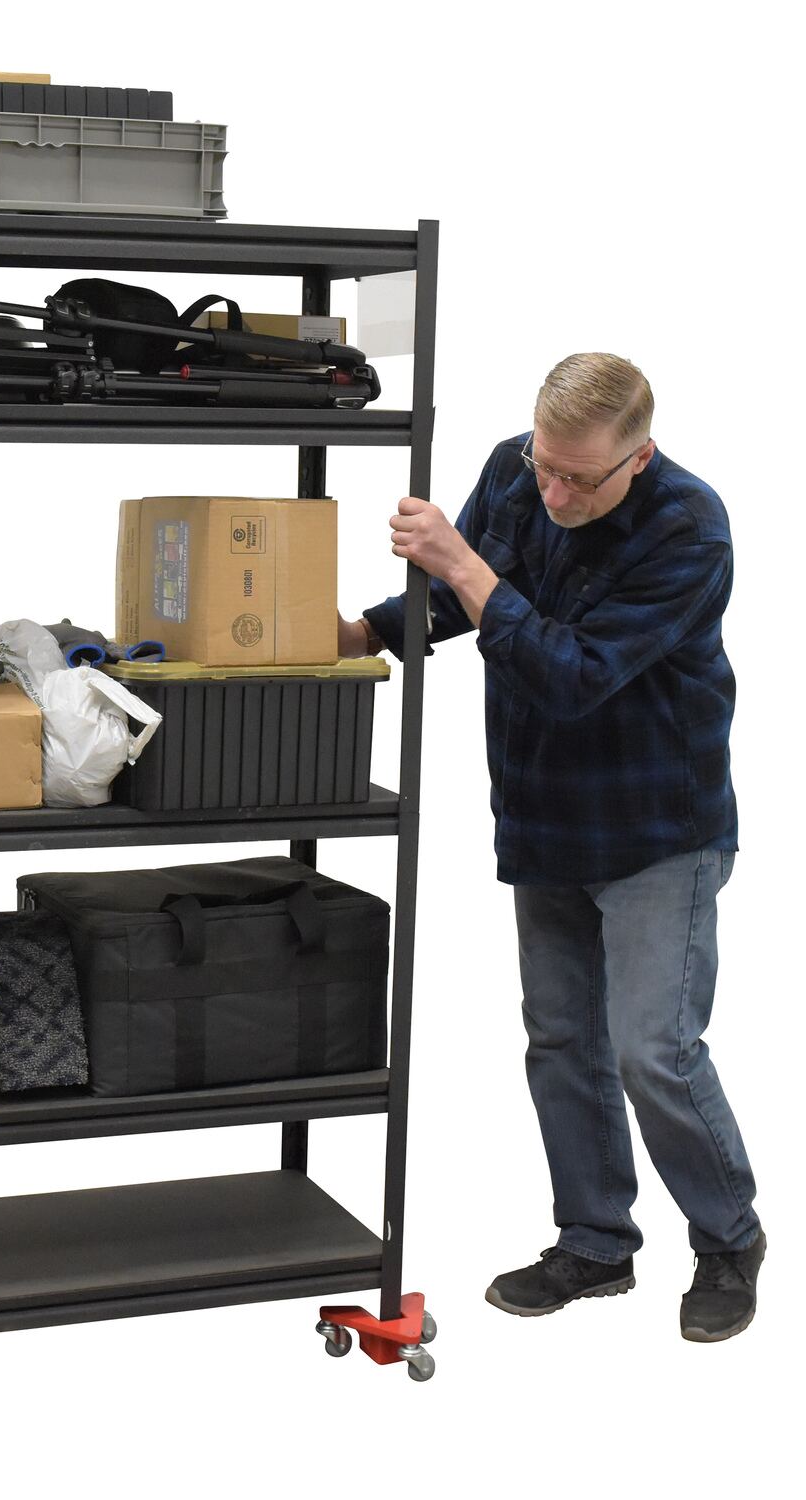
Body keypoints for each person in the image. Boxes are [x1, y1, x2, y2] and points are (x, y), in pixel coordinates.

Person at [339, 352, 763, 1342]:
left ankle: (729, 1239)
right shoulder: (514, 471)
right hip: (545, 815)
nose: (556, 493)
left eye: (580, 478)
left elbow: (571, 673)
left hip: (658, 828)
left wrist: (462, 563)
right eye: (545, 467)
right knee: (563, 1041)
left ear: (638, 457)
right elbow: (461, 602)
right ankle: (596, 1242)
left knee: (654, 1051)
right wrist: (358, 632)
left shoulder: (689, 531)